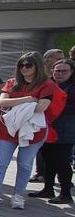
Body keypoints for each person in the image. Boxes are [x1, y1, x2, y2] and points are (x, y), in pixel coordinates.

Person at [0, 52, 59, 209]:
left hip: (32, 131)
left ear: (37, 65)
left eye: (28, 65)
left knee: (24, 164)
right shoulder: (12, 82)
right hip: (7, 129)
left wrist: (17, 104)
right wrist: (29, 99)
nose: (24, 68)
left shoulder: (47, 84)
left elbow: (41, 107)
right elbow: (3, 101)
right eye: (21, 65)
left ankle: (18, 195)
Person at [30, 59, 75, 203]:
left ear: (71, 72)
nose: (60, 73)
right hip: (47, 128)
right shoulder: (48, 83)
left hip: (66, 130)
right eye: (57, 70)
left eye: (64, 71)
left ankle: (66, 194)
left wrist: (54, 107)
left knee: (62, 161)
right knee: (47, 159)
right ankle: (48, 189)